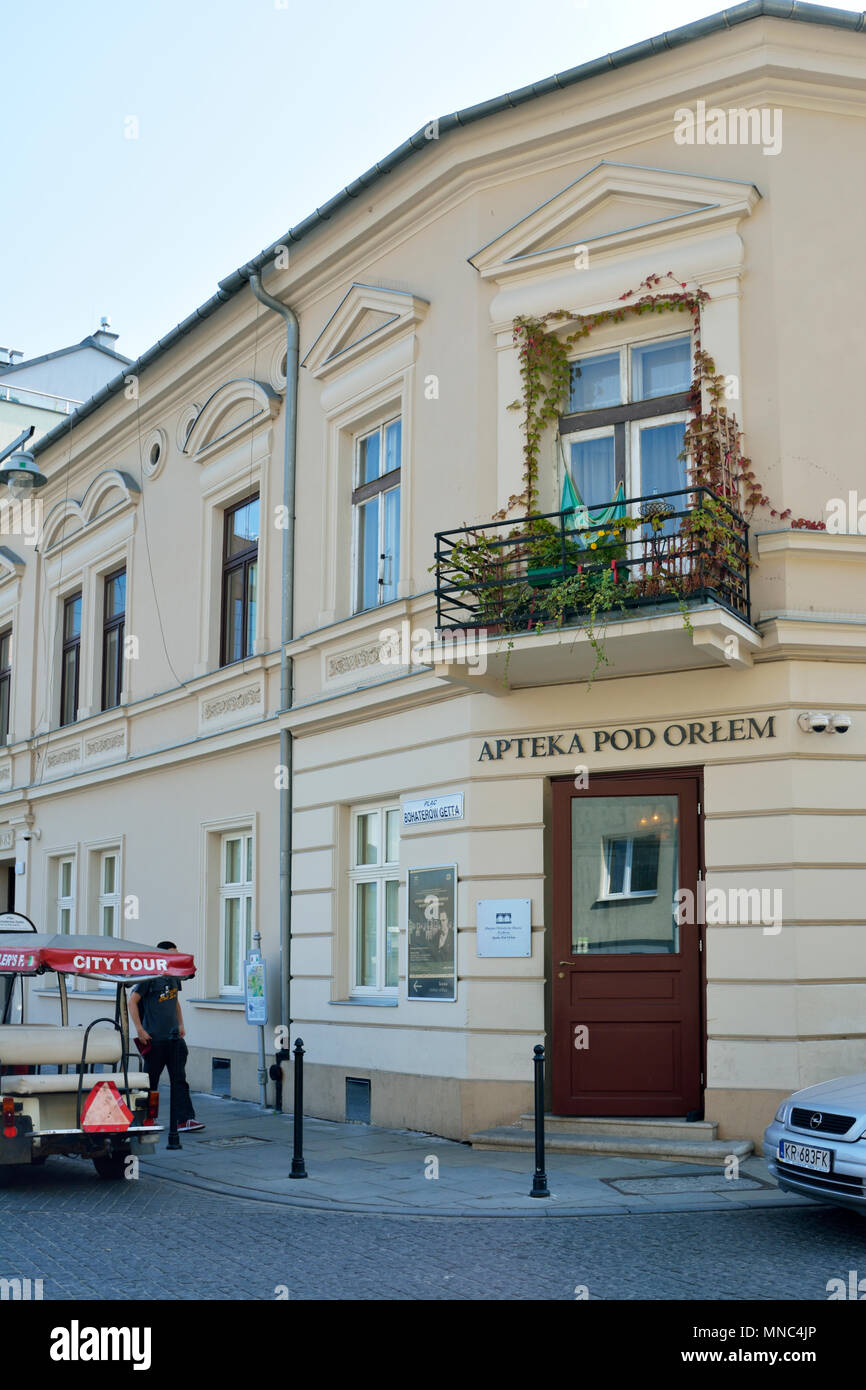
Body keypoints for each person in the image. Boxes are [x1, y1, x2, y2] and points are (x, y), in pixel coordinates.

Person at [128, 940, 205, 1133]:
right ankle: (146, 1119)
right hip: (154, 1039)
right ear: (161, 954)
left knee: (179, 1079)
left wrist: (180, 1024)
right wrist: (139, 1029)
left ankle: (185, 1120)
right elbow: (132, 1002)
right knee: (150, 1082)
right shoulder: (149, 976)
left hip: (174, 1040)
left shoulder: (173, 975)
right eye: (172, 954)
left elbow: (175, 1001)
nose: (176, 957)